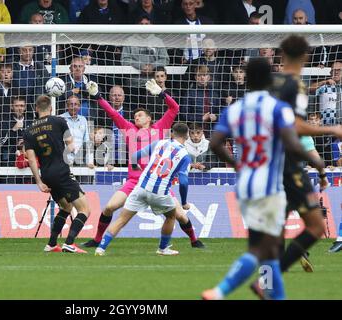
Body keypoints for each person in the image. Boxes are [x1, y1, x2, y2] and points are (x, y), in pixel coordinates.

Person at [202, 58, 325, 300]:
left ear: (246, 79)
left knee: (267, 252)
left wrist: (238, 164)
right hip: (270, 186)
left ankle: (272, 295)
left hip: (245, 186)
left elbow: (215, 143)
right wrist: (317, 161)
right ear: (270, 79)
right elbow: (291, 142)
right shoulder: (277, 107)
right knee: (263, 249)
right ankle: (220, 291)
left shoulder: (235, 108)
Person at [249, 36, 342, 299]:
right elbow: (295, 127)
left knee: (274, 230)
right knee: (315, 225)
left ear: (280, 55)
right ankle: (273, 275)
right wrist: (331, 129)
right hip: (288, 165)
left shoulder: (267, 85)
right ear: (304, 58)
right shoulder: (295, 85)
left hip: (264, 163)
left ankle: (266, 287)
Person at [83, 79, 205, 249]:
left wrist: (162, 93)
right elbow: (112, 113)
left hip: (157, 181)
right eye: (134, 116)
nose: (136, 117)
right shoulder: (128, 128)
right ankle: (97, 239)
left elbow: (175, 108)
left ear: (149, 118)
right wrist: (98, 96)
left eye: (139, 115)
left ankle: (194, 240)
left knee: (180, 215)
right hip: (134, 182)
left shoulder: (160, 128)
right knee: (109, 207)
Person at [95, 123, 192, 256]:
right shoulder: (185, 156)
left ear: (172, 133)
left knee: (122, 219)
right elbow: (184, 182)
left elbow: (135, 156)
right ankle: (163, 249)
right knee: (171, 216)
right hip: (160, 192)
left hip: (140, 187)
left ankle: (101, 248)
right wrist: (184, 201)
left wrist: (135, 167)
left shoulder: (159, 143)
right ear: (187, 136)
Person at [24, 95, 90, 254]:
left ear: (36, 108)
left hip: (46, 175)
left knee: (66, 207)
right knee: (84, 209)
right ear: (51, 108)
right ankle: (70, 243)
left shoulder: (28, 130)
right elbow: (71, 145)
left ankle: (52, 244)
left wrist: (39, 181)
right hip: (61, 171)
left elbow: (31, 159)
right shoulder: (59, 121)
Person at [59, 95, 94, 168]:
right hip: (64, 160)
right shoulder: (60, 118)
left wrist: (89, 161)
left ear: (79, 106)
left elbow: (86, 141)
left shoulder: (83, 120)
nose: (73, 107)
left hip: (80, 160)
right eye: (71, 104)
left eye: (76, 104)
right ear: (67, 106)